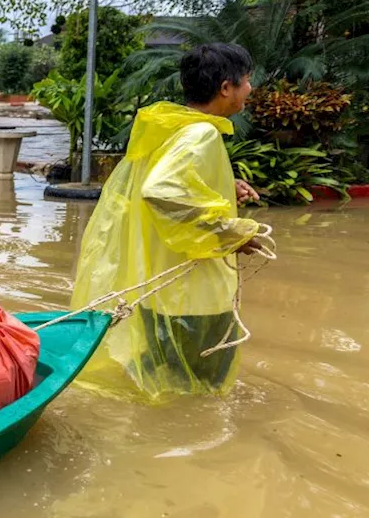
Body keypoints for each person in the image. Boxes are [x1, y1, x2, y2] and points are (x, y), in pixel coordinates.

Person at [70, 43, 268, 403]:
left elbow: (172, 183)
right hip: (195, 297)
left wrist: (224, 185)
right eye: (247, 81)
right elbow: (161, 191)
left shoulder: (171, 127)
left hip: (161, 292)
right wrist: (233, 234)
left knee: (165, 386)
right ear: (227, 88)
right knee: (202, 396)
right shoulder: (201, 134)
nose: (250, 89)